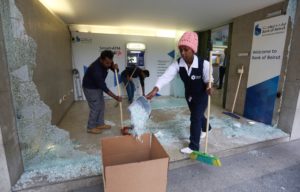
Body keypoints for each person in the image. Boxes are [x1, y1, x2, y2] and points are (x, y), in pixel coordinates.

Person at [146, 32, 213, 154]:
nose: (182, 53)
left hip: (202, 95)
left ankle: (194, 146)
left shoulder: (205, 64)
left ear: (193, 50)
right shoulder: (177, 63)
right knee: (197, 115)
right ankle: (207, 127)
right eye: (180, 49)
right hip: (189, 95)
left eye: (186, 49)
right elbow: (166, 76)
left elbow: (208, 79)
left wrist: (209, 86)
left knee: (195, 118)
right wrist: (155, 90)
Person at [82, 50, 122, 134]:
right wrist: (116, 97)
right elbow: (104, 87)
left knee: (101, 105)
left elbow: (114, 70)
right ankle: (90, 127)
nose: (108, 65)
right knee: (95, 107)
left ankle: (100, 123)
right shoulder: (96, 70)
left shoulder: (108, 61)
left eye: (110, 63)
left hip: (97, 87)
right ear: (101, 59)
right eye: (107, 63)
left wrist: (116, 68)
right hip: (90, 88)